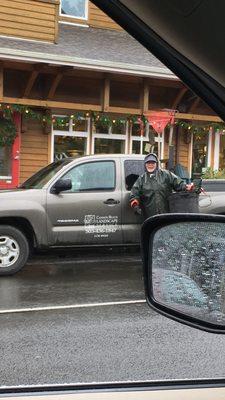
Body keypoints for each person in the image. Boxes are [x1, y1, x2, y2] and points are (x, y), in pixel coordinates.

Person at [130, 153, 193, 218]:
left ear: (156, 164)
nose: (150, 165)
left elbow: (179, 183)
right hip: (150, 216)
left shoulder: (166, 174)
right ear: (145, 165)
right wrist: (135, 205)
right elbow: (134, 194)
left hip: (166, 214)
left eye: (153, 163)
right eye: (148, 163)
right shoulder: (141, 179)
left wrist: (187, 187)